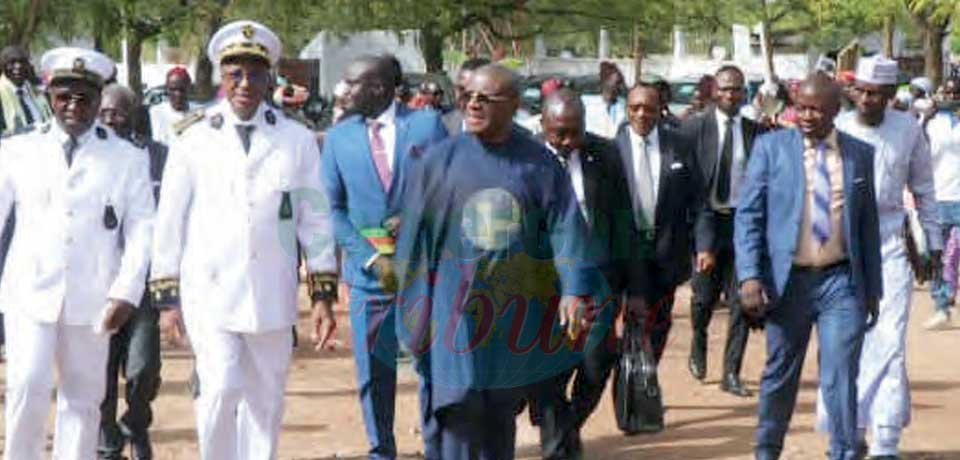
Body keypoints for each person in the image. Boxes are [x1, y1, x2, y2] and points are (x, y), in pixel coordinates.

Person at [148, 20, 338, 459]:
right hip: (210, 290)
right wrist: (167, 297)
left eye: (255, 73)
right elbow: (170, 219)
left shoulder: (295, 139)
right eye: (235, 73)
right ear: (221, 75)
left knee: (266, 401)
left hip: (271, 289)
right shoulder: (193, 137)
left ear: (270, 77)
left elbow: (314, 218)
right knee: (218, 390)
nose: (245, 83)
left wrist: (323, 293)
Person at [395, 64, 601, 460]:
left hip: (511, 316)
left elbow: (566, 229)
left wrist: (574, 290)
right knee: (456, 413)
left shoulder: (539, 165)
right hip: (452, 314)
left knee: (499, 418)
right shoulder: (437, 162)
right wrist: (414, 316)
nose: (473, 104)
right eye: (468, 96)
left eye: (485, 98)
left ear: (514, 105)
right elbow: (412, 245)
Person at [0, 47, 154, 460]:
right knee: (27, 388)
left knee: (83, 400)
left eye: (84, 98)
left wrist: (126, 292)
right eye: (63, 96)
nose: (73, 106)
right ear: (48, 96)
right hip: (29, 291)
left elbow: (142, 229)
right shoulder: (17, 150)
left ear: (99, 99)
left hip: (94, 297)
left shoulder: (126, 157)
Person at [735, 74, 882, 460]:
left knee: (840, 374)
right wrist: (749, 275)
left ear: (835, 110)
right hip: (787, 283)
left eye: (815, 109)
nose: (805, 115)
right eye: (800, 107)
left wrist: (873, 289)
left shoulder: (859, 154)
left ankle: (844, 451)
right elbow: (748, 216)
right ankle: (767, 449)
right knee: (780, 373)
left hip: (841, 282)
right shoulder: (770, 148)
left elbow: (867, 226)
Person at [812, 55, 941, 460]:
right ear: (853, 92)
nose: (868, 100)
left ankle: (886, 439)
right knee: (846, 345)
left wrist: (933, 243)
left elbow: (924, 189)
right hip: (842, 249)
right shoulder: (837, 128)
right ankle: (849, 430)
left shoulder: (909, 130)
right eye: (862, 92)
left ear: (889, 95)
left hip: (889, 246)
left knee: (890, 344)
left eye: (877, 94)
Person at [320, 55, 448, 460]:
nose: (344, 91)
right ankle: (381, 450)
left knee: (432, 369)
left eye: (351, 83)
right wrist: (371, 260)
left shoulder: (426, 126)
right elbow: (332, 210)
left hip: (423, 273)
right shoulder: (338, 138)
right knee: (373, 372)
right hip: (369, 278)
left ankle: (436, 447)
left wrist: (415, 217)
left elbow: (448, 188)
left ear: (377, 88)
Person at [529, 88, 630, 460]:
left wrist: (631, 285)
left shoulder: (606, 154)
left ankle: (567, 426)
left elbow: (623, 220)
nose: (569, 141)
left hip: (597, 278)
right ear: (543, 124)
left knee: (597, 361)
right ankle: (557, 444)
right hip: (543, 281)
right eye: (560, 133)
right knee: (549, 370)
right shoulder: (525, 158)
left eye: (576, 131)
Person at [612, 82, 712, 367]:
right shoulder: (612, 150)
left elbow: (699, 199)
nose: (641, 114)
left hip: (666, 251)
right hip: (625, 253)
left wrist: (704, 244)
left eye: (648, 108)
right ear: (627, 110)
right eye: (635, 108)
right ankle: (631, 381)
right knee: (632, 320)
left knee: (659, 323)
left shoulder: (679, 146)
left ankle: (646, 374)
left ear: (660, 110)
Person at [682, 65, 764, 397]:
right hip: (707, 221)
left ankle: (731, 372)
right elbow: (689, 185)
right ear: (714, 91)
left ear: (744, 93)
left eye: (737, 89)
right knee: (703, 297)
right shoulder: (694, 129)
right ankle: (698, 341)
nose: (731, 95)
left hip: (742, 224)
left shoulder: (756, 132)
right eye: (725, 89)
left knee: (742, 299)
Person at [96, 83, 167, 460]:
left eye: (118, 112)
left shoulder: (158, 156)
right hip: (98, 282)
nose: (110, 119)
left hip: (143, 282)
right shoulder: (89, 157)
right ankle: (107, 443)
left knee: (143, 368)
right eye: (104, 112)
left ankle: (136, 423)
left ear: (134, 114)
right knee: (101, 372)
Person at [924, 76, 960, 330]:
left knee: (954, 253)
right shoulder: (930, 123)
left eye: (956, 93)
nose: (951, 97)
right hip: (937, 198)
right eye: (947, 93)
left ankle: (947, 296)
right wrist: (926, 118)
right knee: (937, 254)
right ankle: (941, 305)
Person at [0, 45, 52, 136]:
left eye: (22, 62)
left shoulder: (38, 91)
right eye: (12, 62)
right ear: (3, 66)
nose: (18, 66)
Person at [442, 57, 491, 135]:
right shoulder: (440, 128)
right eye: (461, 89)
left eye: (478, 91)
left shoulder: (509, 133)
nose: (471, 103)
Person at [147, 66, 193, 146]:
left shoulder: (198, 114)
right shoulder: (155, 112)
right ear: (167, 89)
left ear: (189, 88)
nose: (178, 94)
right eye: (173, 89)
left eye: (182, 89)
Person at [583, 61, 627, 138]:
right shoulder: (586, 103)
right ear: (606, 81)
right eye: (617, 82)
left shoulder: (625, 105)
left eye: (621, 82)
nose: (621, 86)